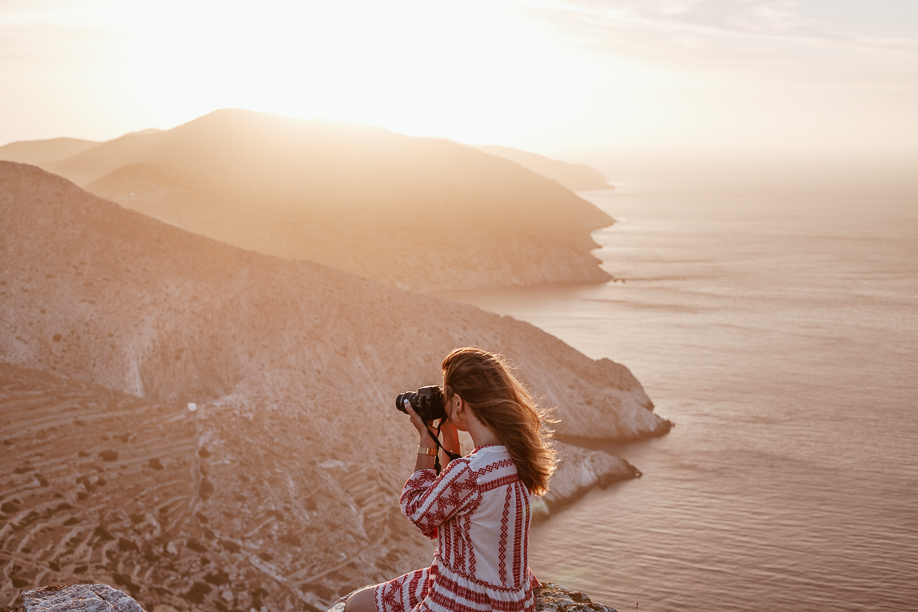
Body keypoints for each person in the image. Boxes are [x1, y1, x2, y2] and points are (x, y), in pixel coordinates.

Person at [345, 347, 558, 612]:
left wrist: (427, 441)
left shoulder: (470, 472)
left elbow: (418, 512)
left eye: (446, 396)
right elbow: (453, 496)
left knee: (355, 606)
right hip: (505, 597)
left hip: (465, 598)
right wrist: (448, 435)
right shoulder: (515, 457)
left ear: (458, 403)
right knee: (360, 602)